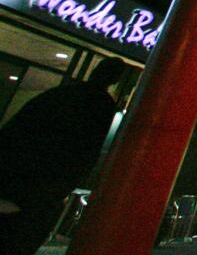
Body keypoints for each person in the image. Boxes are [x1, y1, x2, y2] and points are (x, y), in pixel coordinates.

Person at [0, 57, 125, 255]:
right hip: (47, 185)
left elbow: (17, 129)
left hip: (17, 174)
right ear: (115, 80)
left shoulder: (59, 93)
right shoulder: (101, 107)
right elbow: (86, 150)